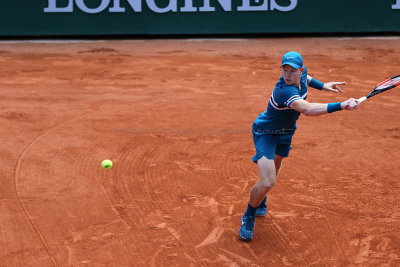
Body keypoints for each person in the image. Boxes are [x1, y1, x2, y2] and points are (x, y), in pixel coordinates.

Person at [239, 51, 359, 241]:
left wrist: (323, 86)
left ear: (300, 70)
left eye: (292, 71)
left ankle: (262, 198)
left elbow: (307, 77)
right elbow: (307, 109)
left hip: (286, 132)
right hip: (266, 133)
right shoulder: (284, 91)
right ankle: (249, 215)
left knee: (275, 169)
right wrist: (341, 105)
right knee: (268, 181)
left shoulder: (302, 74)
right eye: (284, 70)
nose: (287, 75)